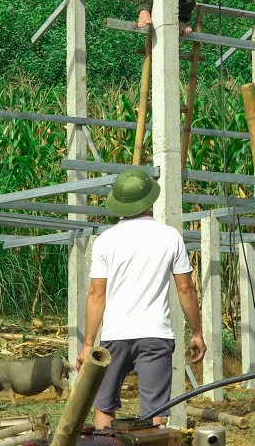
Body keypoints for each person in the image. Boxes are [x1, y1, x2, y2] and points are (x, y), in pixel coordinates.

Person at [77, 168, 205, 427]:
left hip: (115, 335)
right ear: (149, 200)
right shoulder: (170, 236)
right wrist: (197, 331)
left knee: (104, 404)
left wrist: (88, 343)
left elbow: (96, 294)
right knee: (155, 411)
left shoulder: (105, 240)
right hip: (155, 334)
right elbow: (185, 289)